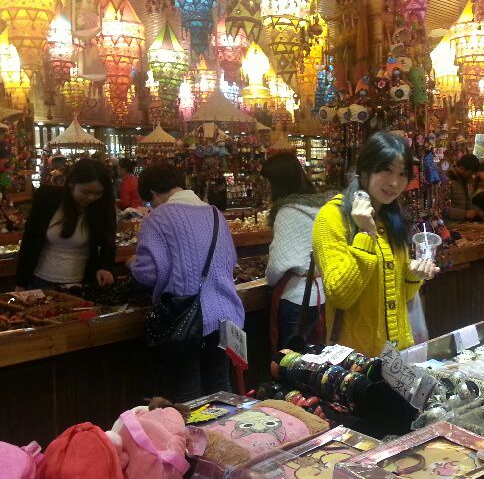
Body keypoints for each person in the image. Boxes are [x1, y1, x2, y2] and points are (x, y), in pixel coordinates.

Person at [312, 131, 438, 357]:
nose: (394, 183)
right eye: (387, 170)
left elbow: (403, 297)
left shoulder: (392, 218)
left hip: (400, 357)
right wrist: (365, 233)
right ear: (365, 170)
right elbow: (340, 296)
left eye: (402, 174)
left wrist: (413, 274)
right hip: (356, 362)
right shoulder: (332, 217)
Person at [129, 163, 244, 402]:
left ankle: (190, 429)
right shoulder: (215, 214)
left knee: (187, 395)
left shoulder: (158, 218)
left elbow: (149, 273)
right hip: (226, 316)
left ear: (153, 193)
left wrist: (132, 264)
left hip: (185, 320)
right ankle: (226, 427)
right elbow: (230, 260)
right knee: (221, 389)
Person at [262, 152, 333, 350]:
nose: (266, 188)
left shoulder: (287, 212)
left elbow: (277, 265)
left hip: (296, 299)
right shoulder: (321, 207)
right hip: (321, 295)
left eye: (268, 182)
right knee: (316, 357)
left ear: (278, 182)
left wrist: (270, 279)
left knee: (291, 359)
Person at [17, 159, 116, 290]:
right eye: (86, 192)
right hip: (39, 281)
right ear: (71, 184)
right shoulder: (47, 198)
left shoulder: (102, 207)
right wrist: (20, 283)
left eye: (98, 193)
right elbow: (29, 239)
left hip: (80, 284)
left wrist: (104, 268)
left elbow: (108, 243)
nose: (91, 197)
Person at [444, 153, 484, 222]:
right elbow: (442, 208)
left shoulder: (463, 179)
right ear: (462, 168)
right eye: (471, 173)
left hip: (460, 224)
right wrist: (464, 214)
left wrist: (478, 212)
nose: (472, 176)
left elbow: (466, 203)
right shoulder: (447, 179)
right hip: (450, 225)